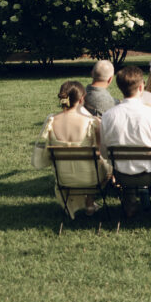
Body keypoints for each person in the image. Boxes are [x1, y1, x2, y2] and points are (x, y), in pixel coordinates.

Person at [100, 66, 151, 219]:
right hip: (150, 175)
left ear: (120, 88)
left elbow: (104, 151)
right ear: (141, 87)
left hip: (121, 175)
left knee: (125, 163)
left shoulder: (108, 116)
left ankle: (130, 206)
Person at [37, 80, 110, 218]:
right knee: (107, 167)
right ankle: (89, 202)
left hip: (63, 178)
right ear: (82, 98)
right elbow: (101, 152)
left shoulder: (51, 121)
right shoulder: (92, 122)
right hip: (91, 178)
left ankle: (81, 202)